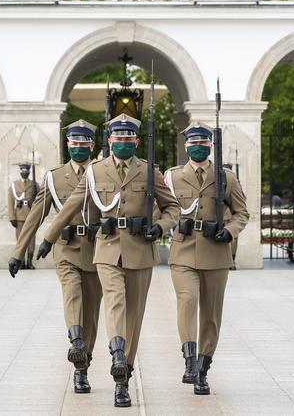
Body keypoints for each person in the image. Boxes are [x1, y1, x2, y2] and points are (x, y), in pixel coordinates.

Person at [36, 114, 181, 408]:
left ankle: (123, 374)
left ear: (136, 142)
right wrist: (49, 238)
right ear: (110, 141)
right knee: (115, 301)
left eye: (129, 139)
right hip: (106, 249)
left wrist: (161, 226)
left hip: (140, 249)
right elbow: (70, 207)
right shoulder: (95, 171)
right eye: (119, 139)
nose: (124, 143)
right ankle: (117, 357)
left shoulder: (149, 171)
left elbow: (172, 208)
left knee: (133, 315)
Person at [8, 120, 103, 394]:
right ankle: (75, 342)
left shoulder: (101, 173)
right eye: (74, 143)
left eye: (84, 144)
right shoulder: (54, 176)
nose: (78, 148)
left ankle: (83, 366)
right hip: (66, 247)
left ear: (91, 146)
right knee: (71, 293)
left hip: (96, 250)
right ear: (68, 145)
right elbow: (35, 215)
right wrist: (18, 252)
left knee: (92, 314)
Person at [164, 121, 249, 395]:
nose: (198, 147)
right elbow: (161, 208)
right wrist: (169, 223)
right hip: (184, 249)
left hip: (216, 252)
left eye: (203, 143)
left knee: (211, 315)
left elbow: (242, 213)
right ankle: (189, 359)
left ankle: (202, 369)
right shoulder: (172, 177)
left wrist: (229, 231)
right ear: (186, 145)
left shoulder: (226, 177)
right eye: (193, 143)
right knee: (187, 301)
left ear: (210, 145)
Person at [7, 161, 38, 269]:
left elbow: (39, 201)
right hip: (19, 216)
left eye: (26, 170)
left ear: (29, 171)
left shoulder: (34, 184)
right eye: (22, 170)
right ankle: (21, 261)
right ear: (20, 171)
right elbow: (10, 201)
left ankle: (29, 262)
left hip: (31, 216)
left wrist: (37, 215)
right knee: (20, 240)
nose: (24, 172)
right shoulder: (14, 185)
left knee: (31, 239)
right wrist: (12, 217)